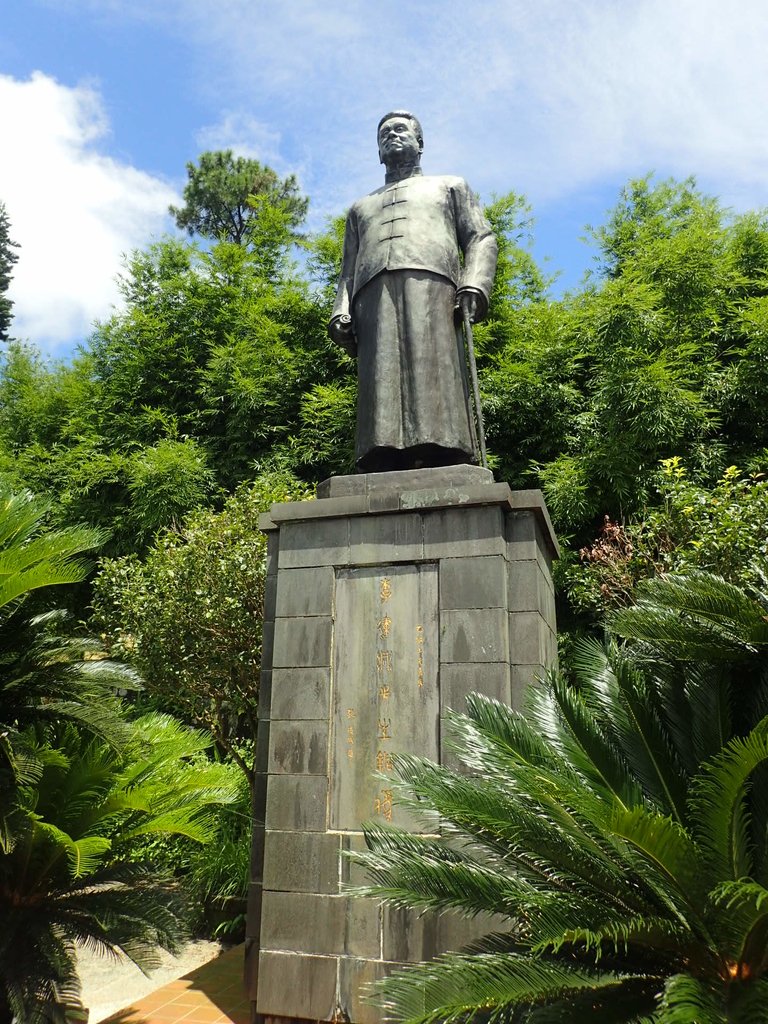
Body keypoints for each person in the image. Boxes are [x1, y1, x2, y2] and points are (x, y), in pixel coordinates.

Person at [329, 111, 498, 473]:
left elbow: (480, 237)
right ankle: (382, 452)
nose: (392, 135)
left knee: (432, 364)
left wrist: (474, 283)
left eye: (400, 129)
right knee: (380, 373)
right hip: (372, 294)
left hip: (433, 285)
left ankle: (444, 447)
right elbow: (347, 270)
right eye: (384, 133)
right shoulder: (361, 208)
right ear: (377, 150)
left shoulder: (450, 186)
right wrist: (340, 310)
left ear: (420, 143)